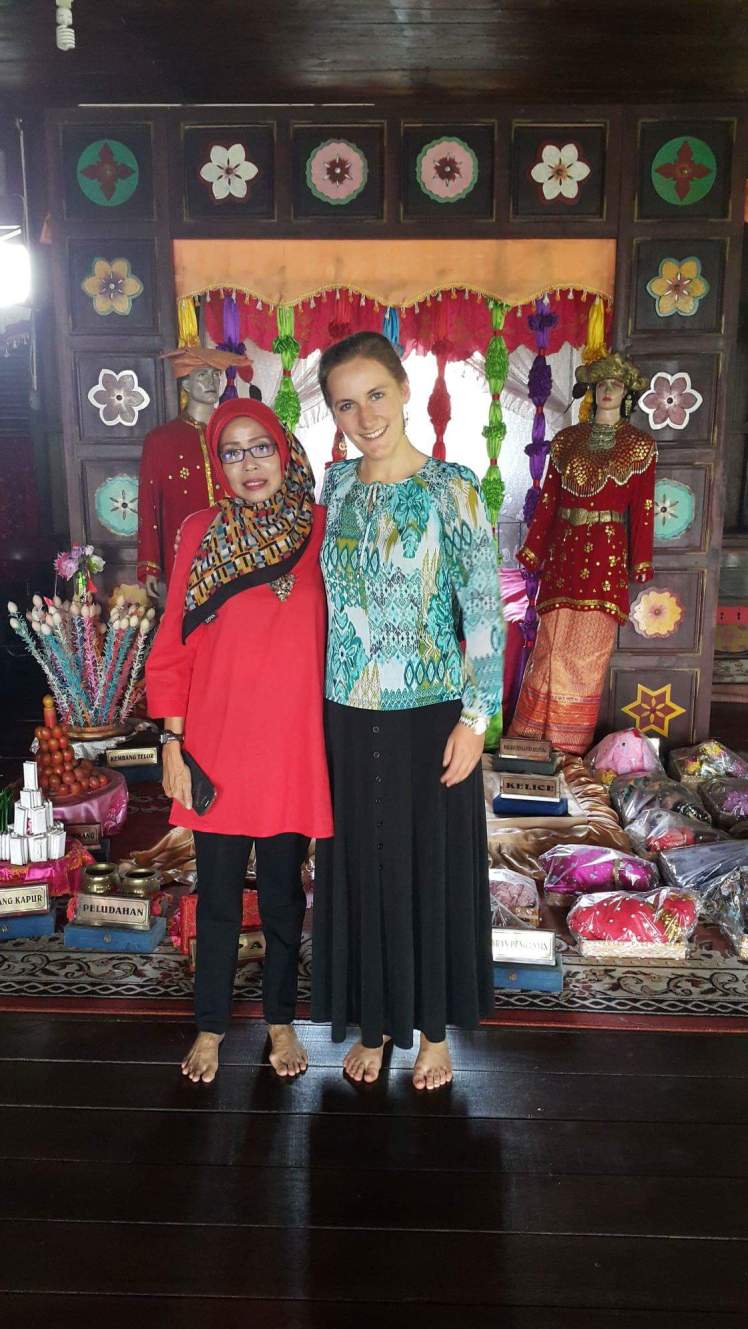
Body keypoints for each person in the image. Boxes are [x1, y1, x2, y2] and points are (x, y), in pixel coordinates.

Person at [311, 331, 504, 1091]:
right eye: (346, 404)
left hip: (432, 712)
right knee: (363, 864)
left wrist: (476, 717)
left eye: (376, 394)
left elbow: (484, 610)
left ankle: (429, 1031)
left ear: (404, 386)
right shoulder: (336, 487)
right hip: (347, 712)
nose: (365, 416)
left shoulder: (452, 488)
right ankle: (373, 1021)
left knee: (428, 866)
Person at [146, 396, 332, 1083]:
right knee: (219, 896)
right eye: (232, 450)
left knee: (285, 895)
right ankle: (211, 1025)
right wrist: (170, 741)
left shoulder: (320, 527)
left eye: (260, 447)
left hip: (292, 747)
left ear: (283, 450)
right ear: (216, 463)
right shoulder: (199, 530)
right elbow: (173, 645)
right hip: (215, 747)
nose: (248, 464)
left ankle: (281, 1020)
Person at [509, 351, 655, 754]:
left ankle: (567, 750)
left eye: (616, 385)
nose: (608, 391)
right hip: (563, 554)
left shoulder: (640, 446)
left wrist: (640, 560)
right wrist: (534, 550)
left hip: (606, 559)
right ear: (592, 390)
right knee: (550, 650)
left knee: (585, 658)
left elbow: (642, 506)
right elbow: (549, 502)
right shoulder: (566, 441)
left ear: (626, 394)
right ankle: (528, 744)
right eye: (602, 384)